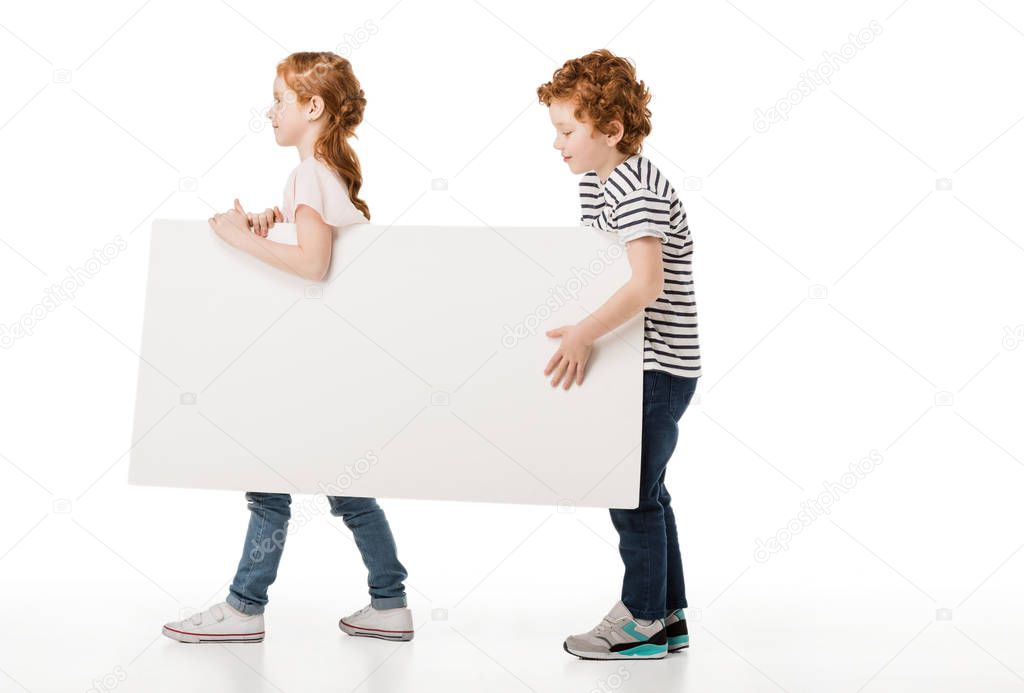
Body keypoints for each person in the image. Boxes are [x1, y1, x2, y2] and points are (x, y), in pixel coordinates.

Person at [161, 52, 413, 644]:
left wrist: (235, 238)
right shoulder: (327, 174)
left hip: (309, 369)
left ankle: (244, 609)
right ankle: (390, 601)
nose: (270, 111)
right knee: (346, 490)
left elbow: (314, 264)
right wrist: (273, 227)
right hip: (333, 366)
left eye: (279, 100)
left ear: (313, 107)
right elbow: (319, 250)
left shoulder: (308, 174)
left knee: (268, 484)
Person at [537, 49, 702, 660]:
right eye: (555, 130)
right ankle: (668, 616)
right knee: (648, 492)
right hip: (644, 366)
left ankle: (641, 620)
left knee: (628, 491)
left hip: (658, 369)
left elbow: (645, 284)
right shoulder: (599, 183)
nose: (557, 144)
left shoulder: (636, 188)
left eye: (567, 130)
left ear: (611, 129)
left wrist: (583, 332)